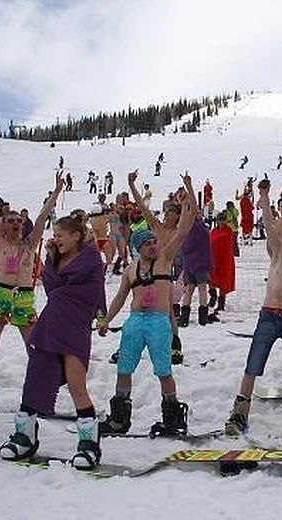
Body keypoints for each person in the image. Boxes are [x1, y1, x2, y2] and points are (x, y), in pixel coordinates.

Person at [0, 216, 106, 469]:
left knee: (76, 384)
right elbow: (51, 289)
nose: (55, 239)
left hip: (75, 326)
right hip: (51, 324)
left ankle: (89, 442)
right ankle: (25, 434)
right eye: (55, 234)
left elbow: (92, 291)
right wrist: (50, 259)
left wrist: (100, 313)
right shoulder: (55, 258)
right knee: (35, 377)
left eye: (60, 235)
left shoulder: (91, 260)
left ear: (76, 236)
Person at [98, 174, 197, 436]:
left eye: (155, 241)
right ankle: (120, 418)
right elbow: (120, 297)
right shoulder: (131, 269)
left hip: (158, 322)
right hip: (135, 322)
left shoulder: (164, 260)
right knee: (124, 368)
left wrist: (188, 193)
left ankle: (173, 416)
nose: (154, 245)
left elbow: (186, 226)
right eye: (149, 242)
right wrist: (108, 319)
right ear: (139, 247)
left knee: (163, 370)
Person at [0, 161, 63, 409]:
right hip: (1, 292)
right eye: (10, 221)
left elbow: (43, 216)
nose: (15, 224)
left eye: (18, 221)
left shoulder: (29, 245)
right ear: (3, 225)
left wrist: (56, 192)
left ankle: (40, 391)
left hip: (23, 296)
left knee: (33, 347)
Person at [225, 180, 282, 438]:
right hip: (268, 315)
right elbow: (266, 220)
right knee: (253, 365)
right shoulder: (278, 254)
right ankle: (240, 412)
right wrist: (264, 196)